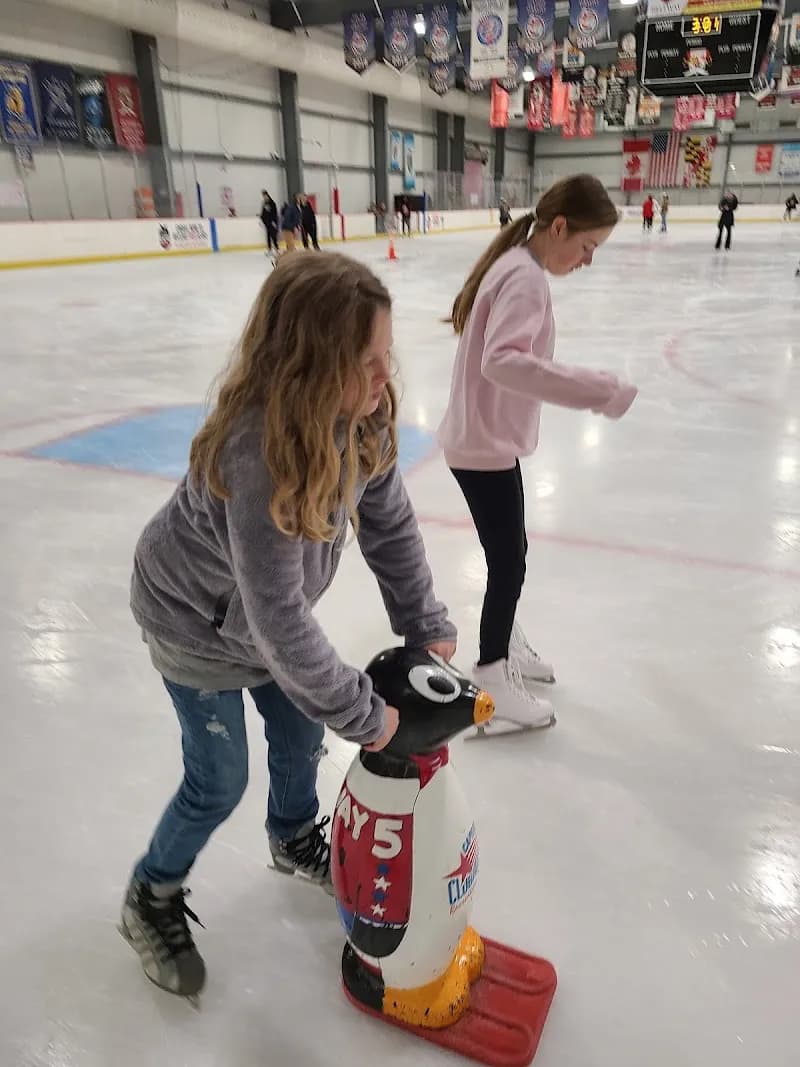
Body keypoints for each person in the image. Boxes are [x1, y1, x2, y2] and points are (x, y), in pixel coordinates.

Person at [120, 252, 457, 999]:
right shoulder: (258, 452)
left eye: (385, 357)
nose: (382, 378)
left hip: (254, 625)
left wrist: (422, 622)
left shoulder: (362, 424)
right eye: (364, 362)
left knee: (304, 732)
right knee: (218, 780)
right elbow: (277, 618)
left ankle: (291, 833)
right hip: (193, 624)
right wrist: (368, 716)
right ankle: (152, 892)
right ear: (306, 364)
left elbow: (391, 525)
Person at [437, 174, 638, 727]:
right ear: (558, 227)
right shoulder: (525, 278)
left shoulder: (515, 267)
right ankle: (493, 678)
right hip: (483, 445)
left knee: (512, 554)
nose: (587, 260)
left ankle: (506, 642)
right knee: (509, 564)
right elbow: (501, 361)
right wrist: (599, 390)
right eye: (587, 246)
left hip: (482, 439)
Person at [260, 190, 278, 255]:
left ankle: (277, 249)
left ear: (267, 195)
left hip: (272, 223)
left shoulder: (272, 203)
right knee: (268, 236)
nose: (264, 197)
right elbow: (263, 213)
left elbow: (275, 213)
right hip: (267, 223)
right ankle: (269, 250)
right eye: (263, 196)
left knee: (273, 236)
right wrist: (262, 220)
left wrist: (274, 221)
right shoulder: (264, 203)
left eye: (265, 196)